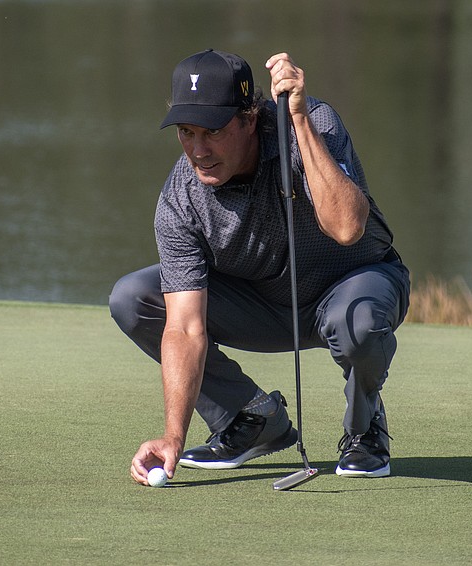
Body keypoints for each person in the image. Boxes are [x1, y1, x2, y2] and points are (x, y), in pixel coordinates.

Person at [109, 49, 410, 486]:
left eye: (212, 131)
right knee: (133, 299)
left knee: (358, 323)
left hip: (355, 285)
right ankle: (251, 418)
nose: (199, 150)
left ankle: (366, 429)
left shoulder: (310, 122)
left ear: (250, 119)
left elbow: (347, 228)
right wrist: (174, 434)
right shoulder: (180, 199)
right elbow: (185, 328)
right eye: (186, 132)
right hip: (264, 308)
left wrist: (301, 119)